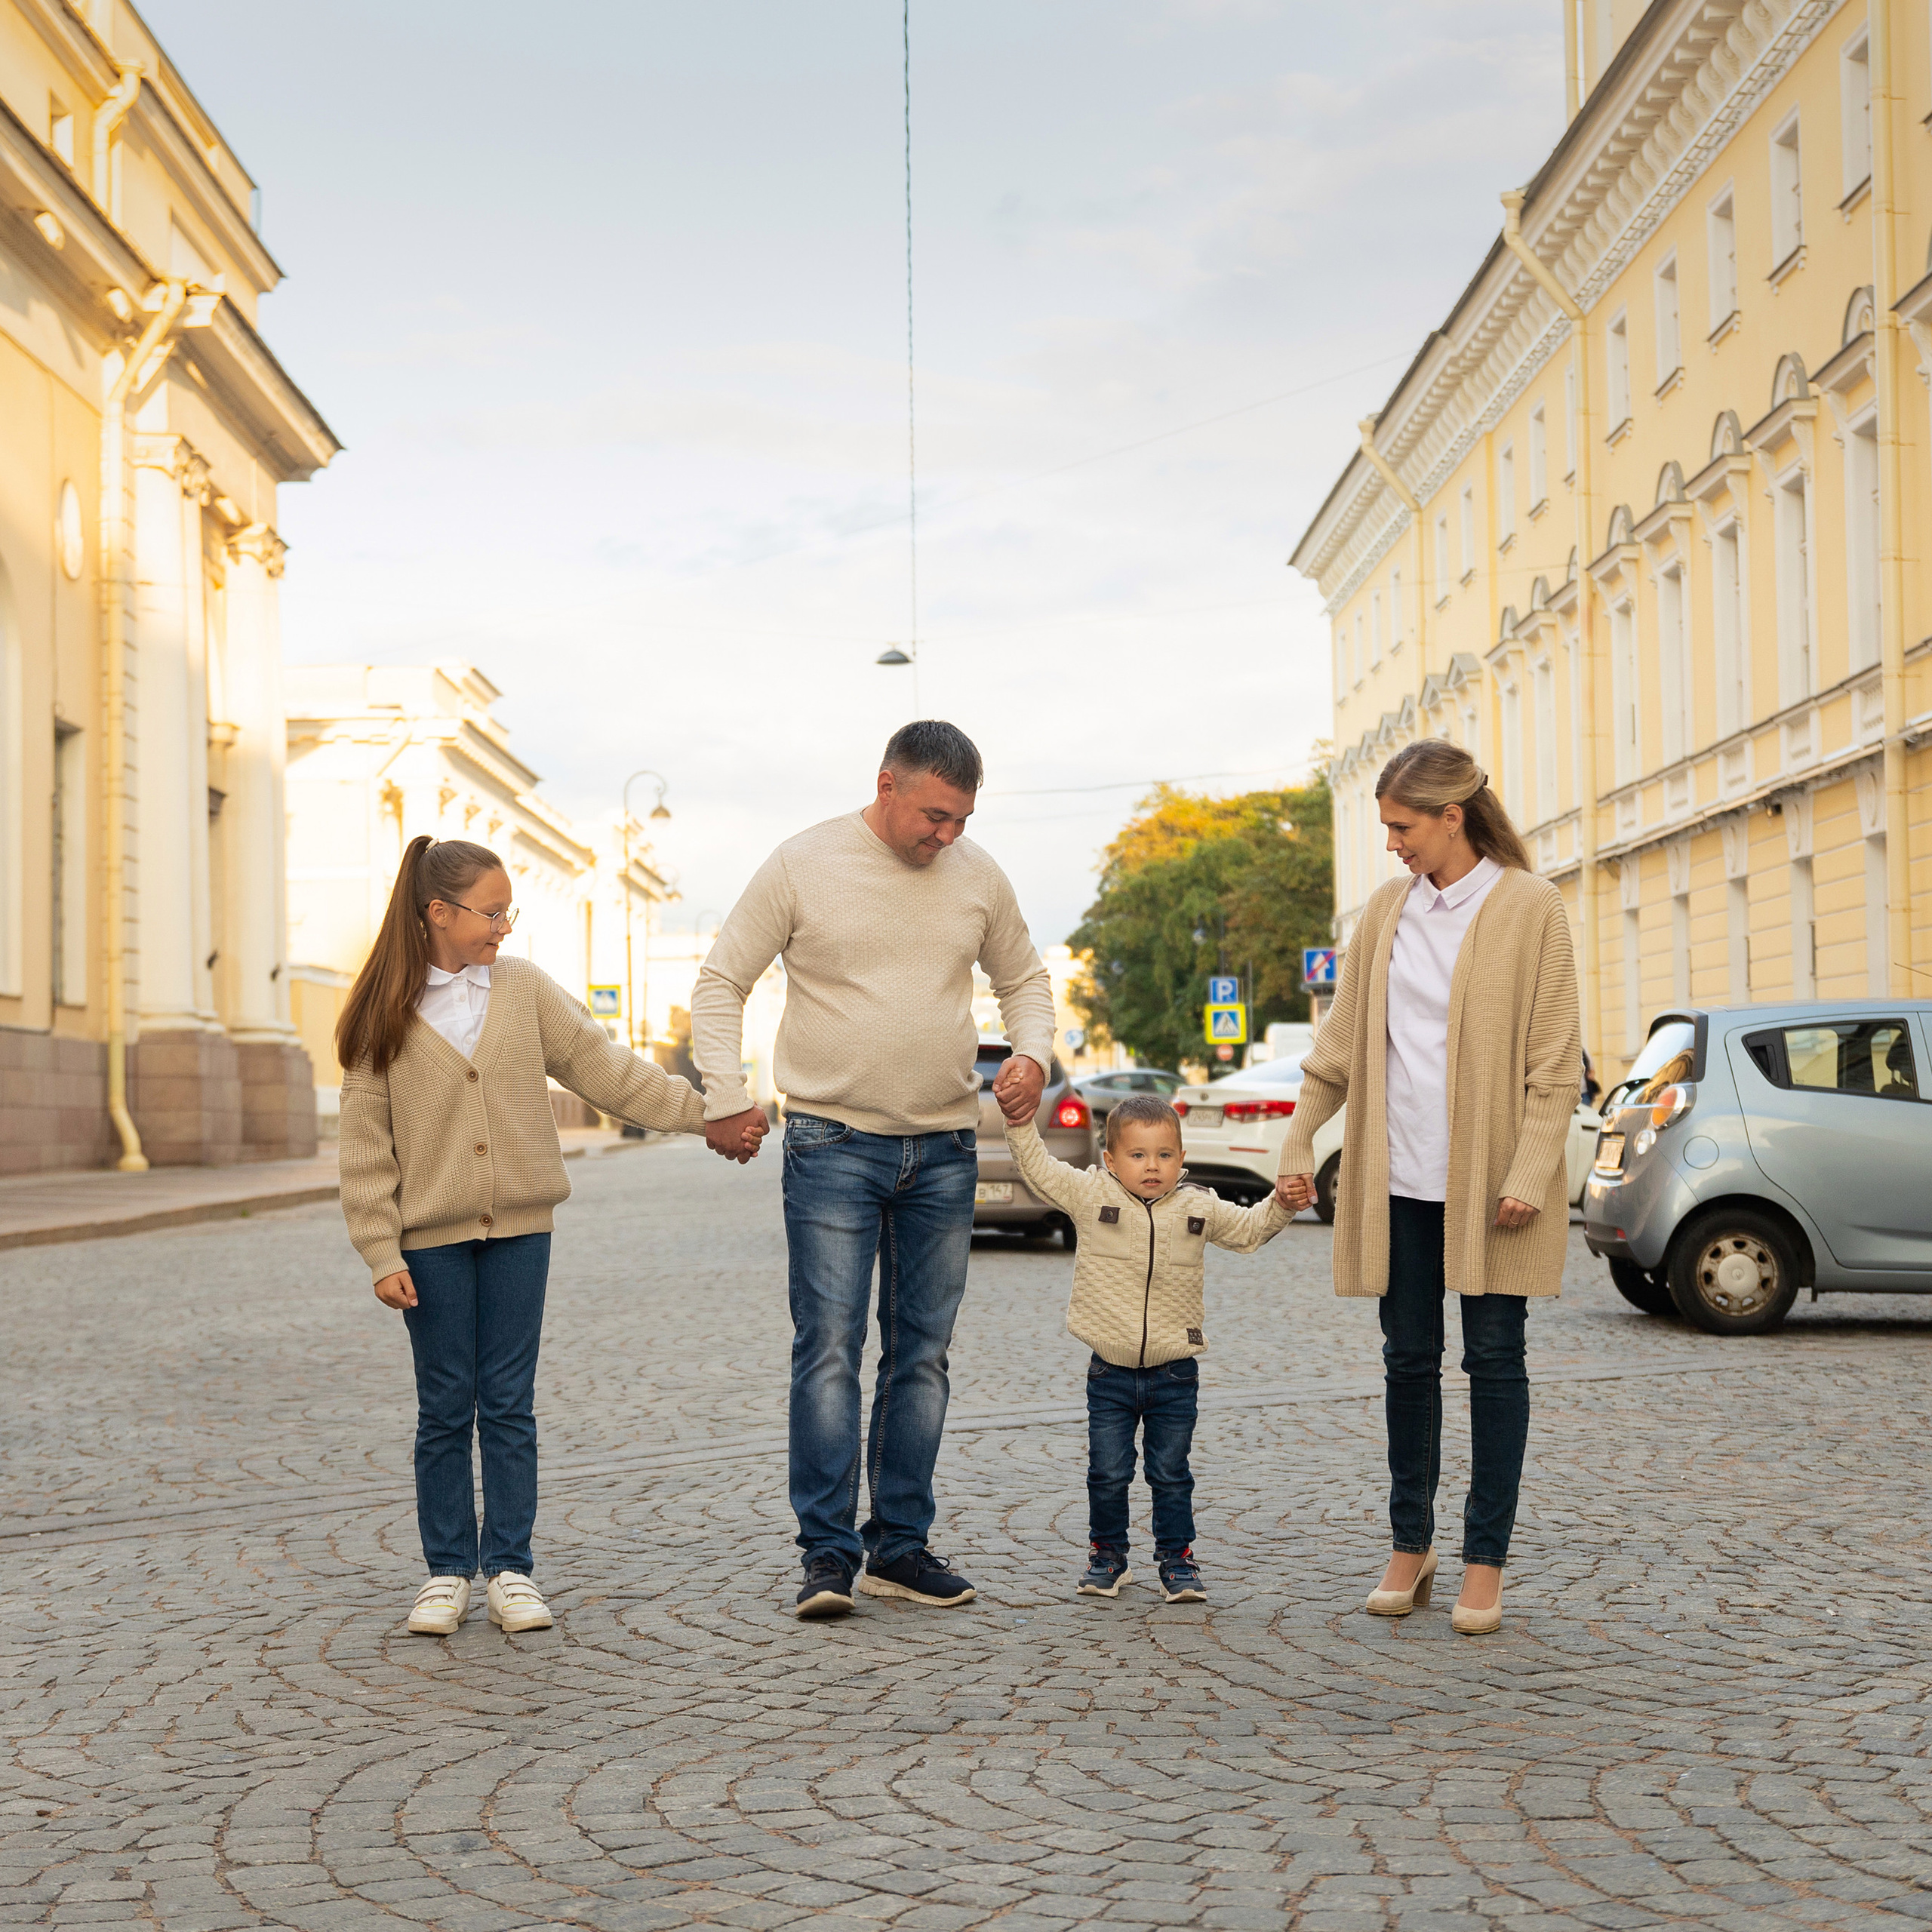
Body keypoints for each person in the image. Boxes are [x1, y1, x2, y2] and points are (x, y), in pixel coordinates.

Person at [337, 835, 755, 1639]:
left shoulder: (522, 989)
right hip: (430, 1241)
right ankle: (447, 1571)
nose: (504, 928)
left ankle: (511, 1569)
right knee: (443, 1406)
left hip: (522, 1231)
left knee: (508, 1403)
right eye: (492, 913)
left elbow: (607, 1068)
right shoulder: (381, 1014)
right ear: (438, 913)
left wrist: (707, 1109)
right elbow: (364, 1147)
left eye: (507, 912)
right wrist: (379, 1250)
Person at [691, 721, 1054, 1619]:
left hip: (945, 1149)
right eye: (934, 815)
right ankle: (826, 1554)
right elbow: (719, 980)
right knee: (828, 1351)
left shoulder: (978, 876)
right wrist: (726, 1092)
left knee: (921, 1356)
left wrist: (1035, 1056)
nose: (947, 836)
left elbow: (1028, 981)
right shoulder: (802, 862)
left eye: (962, 819)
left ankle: (900, 1546)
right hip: (830, 1144)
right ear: (887, 784)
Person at [1275, 740, 1579, 1636]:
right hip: (1397, 1178)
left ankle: (1484, 1559)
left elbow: (1555, 1064)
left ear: (1452, 816)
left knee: (1493, 1361)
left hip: (1492, 1187)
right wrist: (1300, 1137)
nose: (1391, 844)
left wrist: (1528, 1170)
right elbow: (1338, 1050)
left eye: (1401, 827)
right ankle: (1411, 1543)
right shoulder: (1384, 911)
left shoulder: (1530, 906)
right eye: (1385, 828)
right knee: (1406, 1360)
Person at [998, 1090, 1291, 1603]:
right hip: (1109, 1372)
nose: (1151, 1166)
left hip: (1175, 1374)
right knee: (1108, 1473)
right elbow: (1040, 1168)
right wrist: (1020, 1125)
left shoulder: (1197, 1206)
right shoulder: (1091, 1196)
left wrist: (1283, 1203)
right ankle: (1107, 1556)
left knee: (1171, 1474)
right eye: (1137, 1155)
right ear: (1110, 1160)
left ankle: (1177, 1561)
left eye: (1163, 1155)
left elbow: (1248, 1232)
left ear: (1182, 1159)